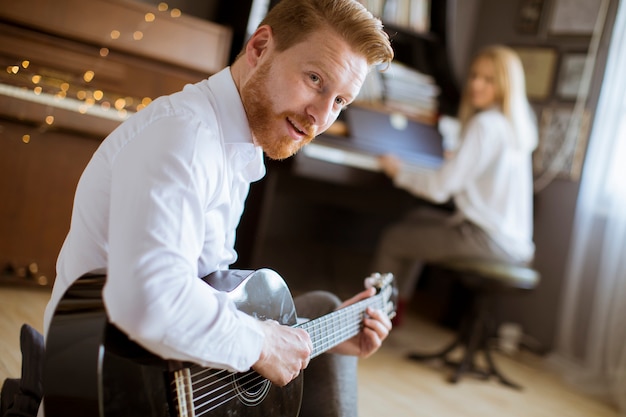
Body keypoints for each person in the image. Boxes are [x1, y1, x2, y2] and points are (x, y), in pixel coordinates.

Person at [33, 1, 395, 416]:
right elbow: (151, 303)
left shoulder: (235, 142)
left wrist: (322, 339)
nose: (319, 116)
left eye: (340, 102)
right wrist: (260, 343)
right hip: (113, 385)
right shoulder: (185, 138)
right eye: (315, 79)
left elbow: (208, 287)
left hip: (170, 370)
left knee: (326, 308)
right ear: (259, 47)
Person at [372, 45, 538, 324]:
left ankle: (373, 320)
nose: (475, 84)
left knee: (394, 239)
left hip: (486, 239)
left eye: (488, 79)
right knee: (416, 218)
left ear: (505, 85)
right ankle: (394, 314)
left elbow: (439, 189)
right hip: (514, 244)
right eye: (474, 76)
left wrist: (398, 171)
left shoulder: (484, 124)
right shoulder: (514, 124)